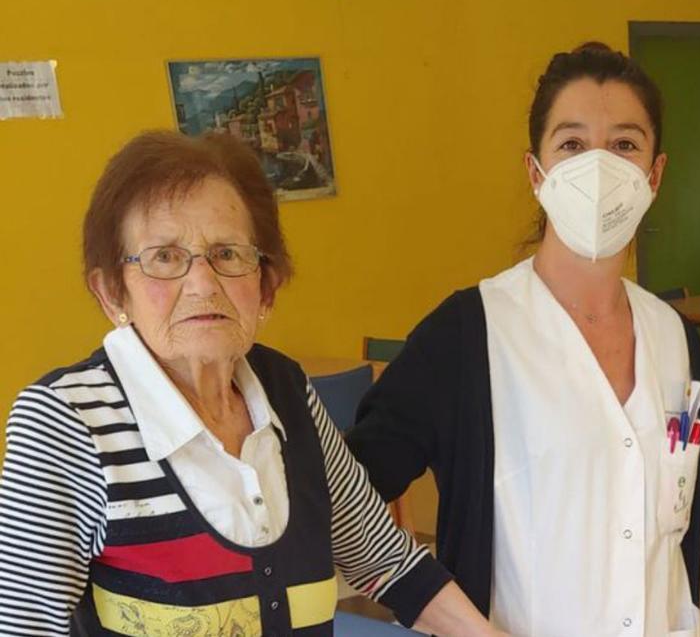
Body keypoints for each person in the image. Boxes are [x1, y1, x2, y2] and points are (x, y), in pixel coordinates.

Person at [347, 42, 700, 636]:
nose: (598, 167)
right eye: (571, 144)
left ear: (654, 173)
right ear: (535, 173)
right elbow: (347, 495)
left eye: (623, 145)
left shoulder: (670, 332)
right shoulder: (466, 337)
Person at [0, 131, 498, 636]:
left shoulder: (288, 391)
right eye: (165, 257)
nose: (201, 283)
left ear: (267, 286)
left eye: (228, 254)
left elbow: (385, 560)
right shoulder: (66, 421)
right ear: (112, 293)